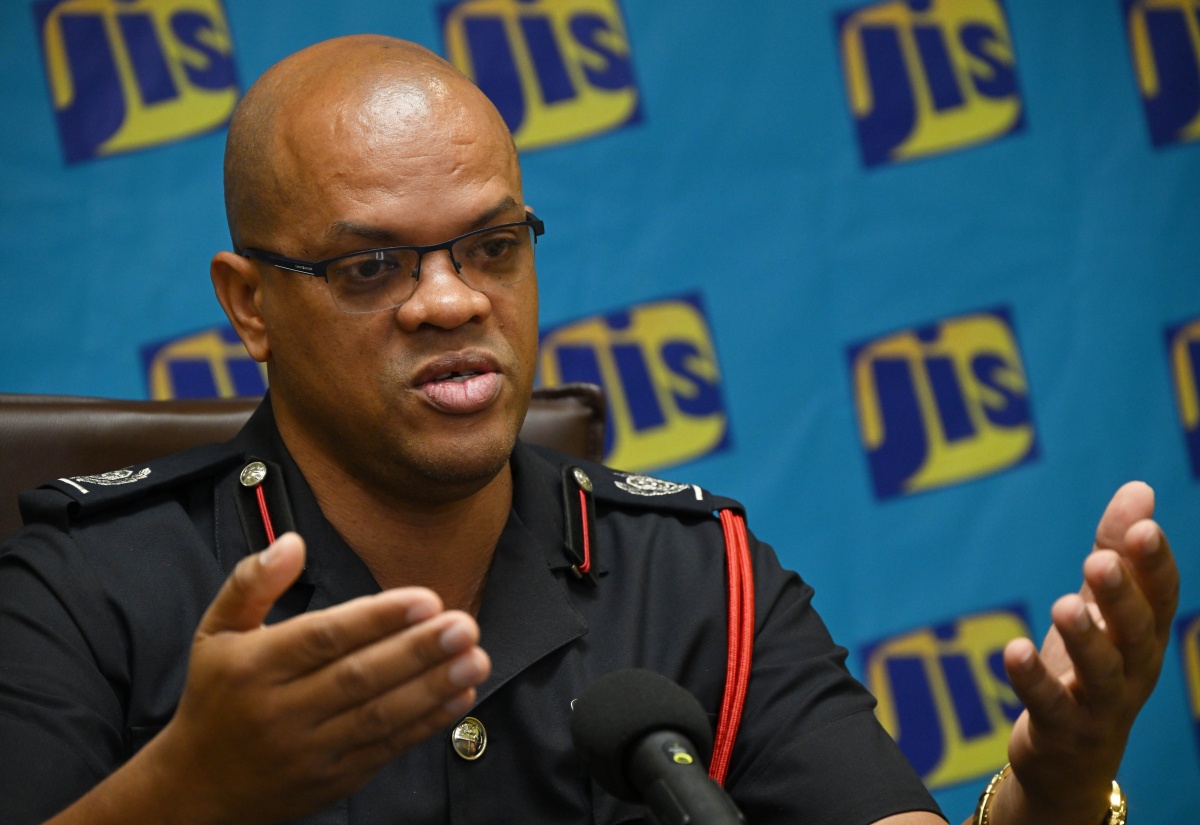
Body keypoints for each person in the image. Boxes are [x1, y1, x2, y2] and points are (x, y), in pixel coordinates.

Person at [0, 35, 1179, 825]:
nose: (452, 301)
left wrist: (1061, 792)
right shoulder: (80, 584)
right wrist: (191, 787)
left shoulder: (699, 576)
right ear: (250, 305)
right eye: (370, 266)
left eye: (493, 247)